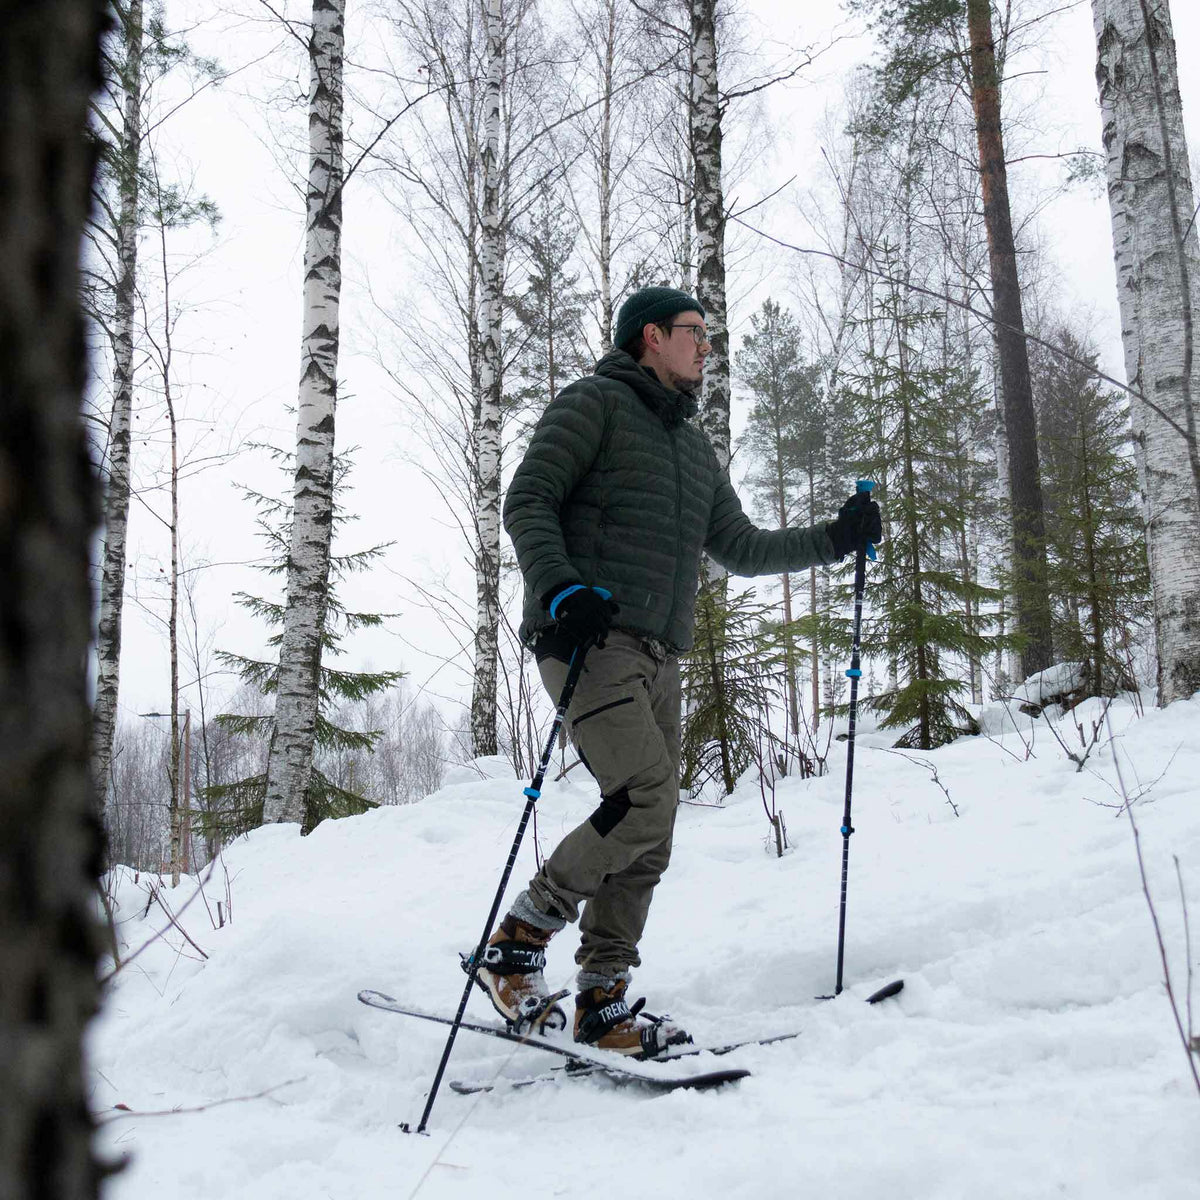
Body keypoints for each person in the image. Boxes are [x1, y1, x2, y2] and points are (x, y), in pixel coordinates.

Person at [480, 285, 881, 1057]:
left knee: (652, 831)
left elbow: (742, 547)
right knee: (644, 795)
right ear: (650, 336)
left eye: (709, 335)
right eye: (695, 333)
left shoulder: (695, 453)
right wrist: (561, 586)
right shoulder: (592, 404)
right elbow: (529, 497)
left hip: (661, 655)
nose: (707, 347)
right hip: (587, 640)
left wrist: (834, 538)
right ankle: (520, 938)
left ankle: (602, 996)